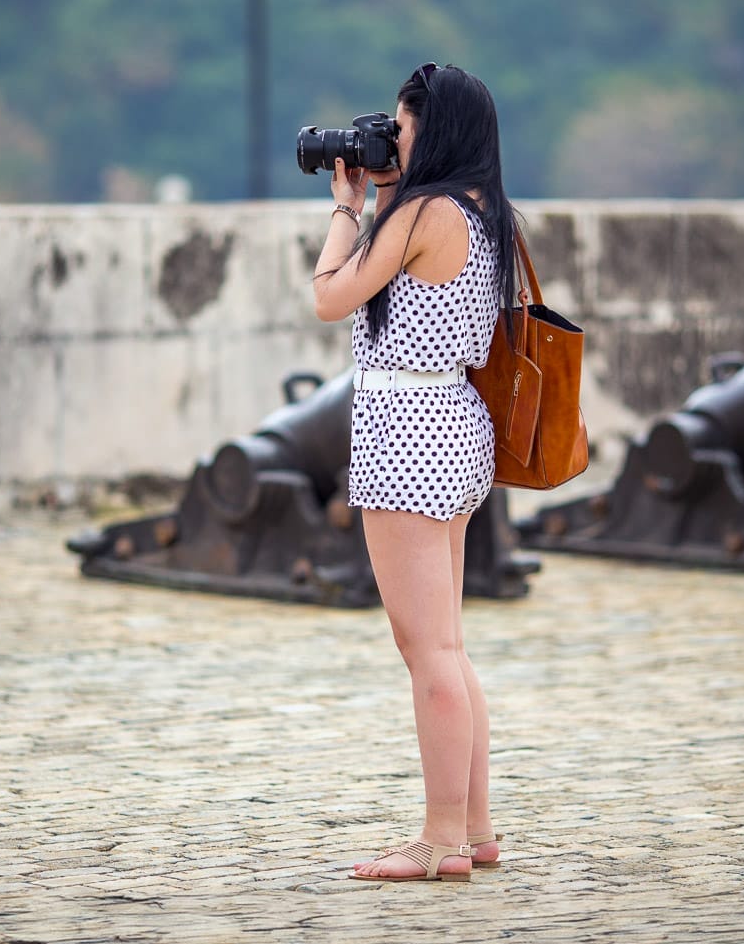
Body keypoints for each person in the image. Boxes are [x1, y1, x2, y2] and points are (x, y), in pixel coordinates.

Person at [310, 63, 521, 883]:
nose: (390, 142)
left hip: (406, 437)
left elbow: (331, 295)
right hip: (457, 429)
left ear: (433, 132)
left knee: (424, 648)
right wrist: (389, 197)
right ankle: (474, 825)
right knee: (450, 644)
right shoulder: (481, 211)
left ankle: (439, 840)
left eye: (401, 130)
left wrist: (345, 209)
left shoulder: (423, 212)